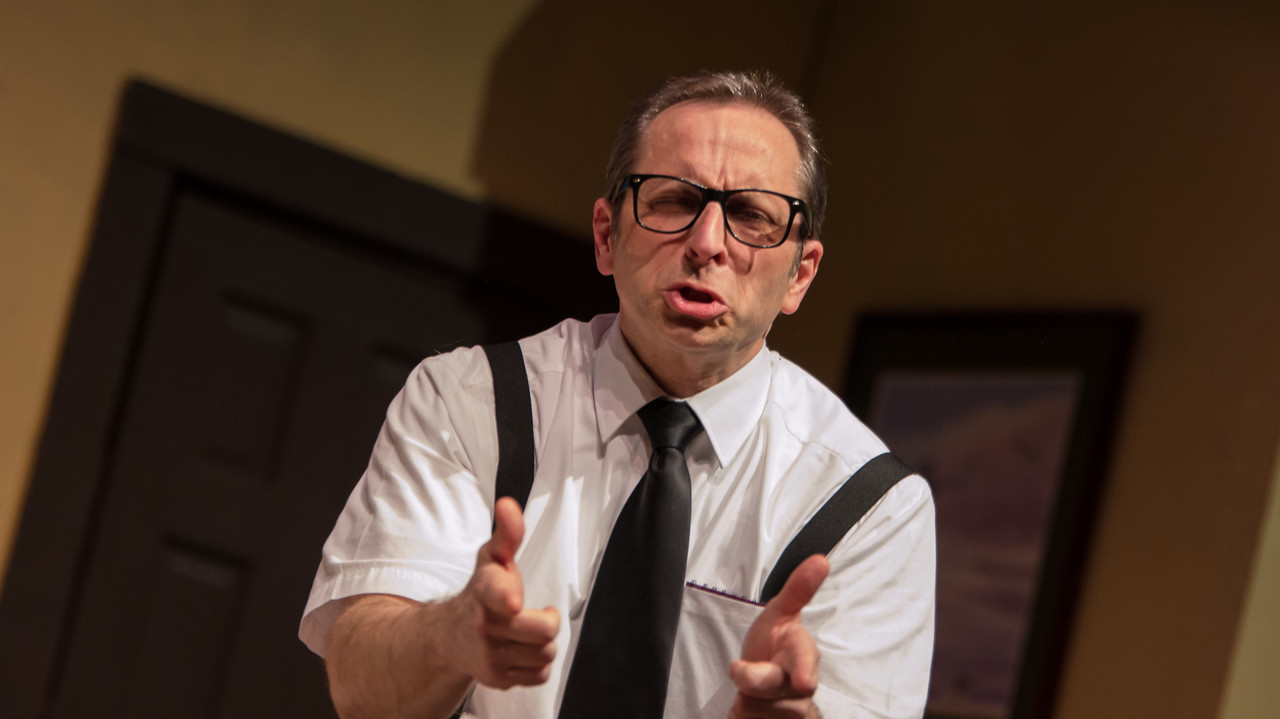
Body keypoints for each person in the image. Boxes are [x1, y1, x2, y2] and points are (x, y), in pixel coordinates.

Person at [300, 70, 935, 719]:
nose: (706, 244)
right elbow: (361, 692)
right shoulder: (468, 401)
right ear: (606, 236)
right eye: (674, 200)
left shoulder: (869, 504)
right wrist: (449, 636)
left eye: (751, 214)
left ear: (800, 274)